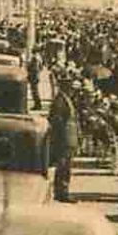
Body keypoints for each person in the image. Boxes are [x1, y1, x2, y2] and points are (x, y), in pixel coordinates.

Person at [47, 73, 79, 203]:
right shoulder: (60, 101)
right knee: (63, 166)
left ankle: (63, 190)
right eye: (71, 87)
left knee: (66, 166)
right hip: (64, 139)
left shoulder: (65, 99)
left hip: (69, 138)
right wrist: (57, 139)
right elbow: (57, 121)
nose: (72, 90)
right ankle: (61, 191)